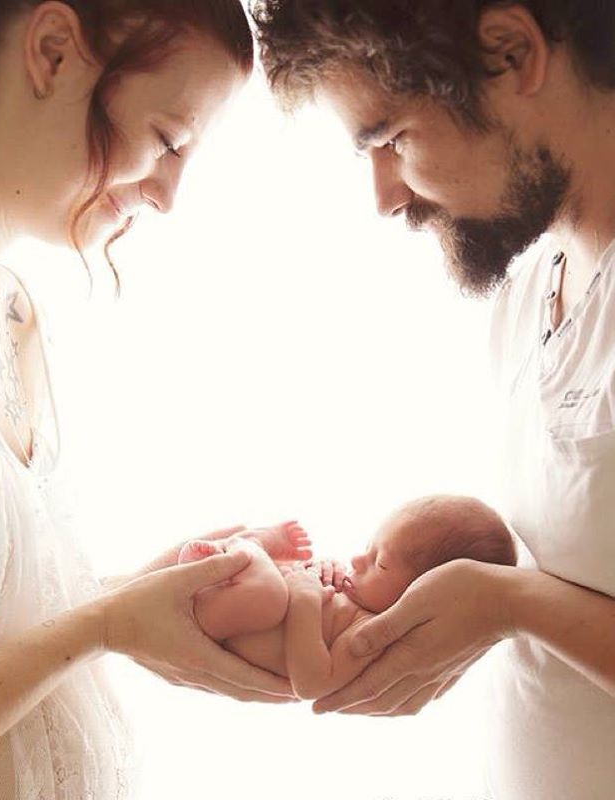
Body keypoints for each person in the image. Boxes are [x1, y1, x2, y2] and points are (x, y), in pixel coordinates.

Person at [251, 1, 615, 798]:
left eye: (391, 138)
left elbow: (531, 599)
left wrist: (512, 604)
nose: (384, 195)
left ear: (513, 54)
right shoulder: (531, 284)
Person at [0, 2, 296, 798]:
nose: (168, 194)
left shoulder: (10, 313)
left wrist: (146, 600)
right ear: (52, 53)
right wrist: (106, 626)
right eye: (166, 140)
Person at [179, 497, 516, 699]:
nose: (357, 561)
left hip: (221, 624)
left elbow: (312, 683)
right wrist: (320, 570)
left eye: (379, 563)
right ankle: (239, 553)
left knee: (269, 597)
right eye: (369, 548)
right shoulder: (356, 596)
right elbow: (305, 584)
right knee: (277, 584)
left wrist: (306, 600)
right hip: (231, 607)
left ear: (423, 593)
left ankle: (246, 547)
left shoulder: (372, 634)